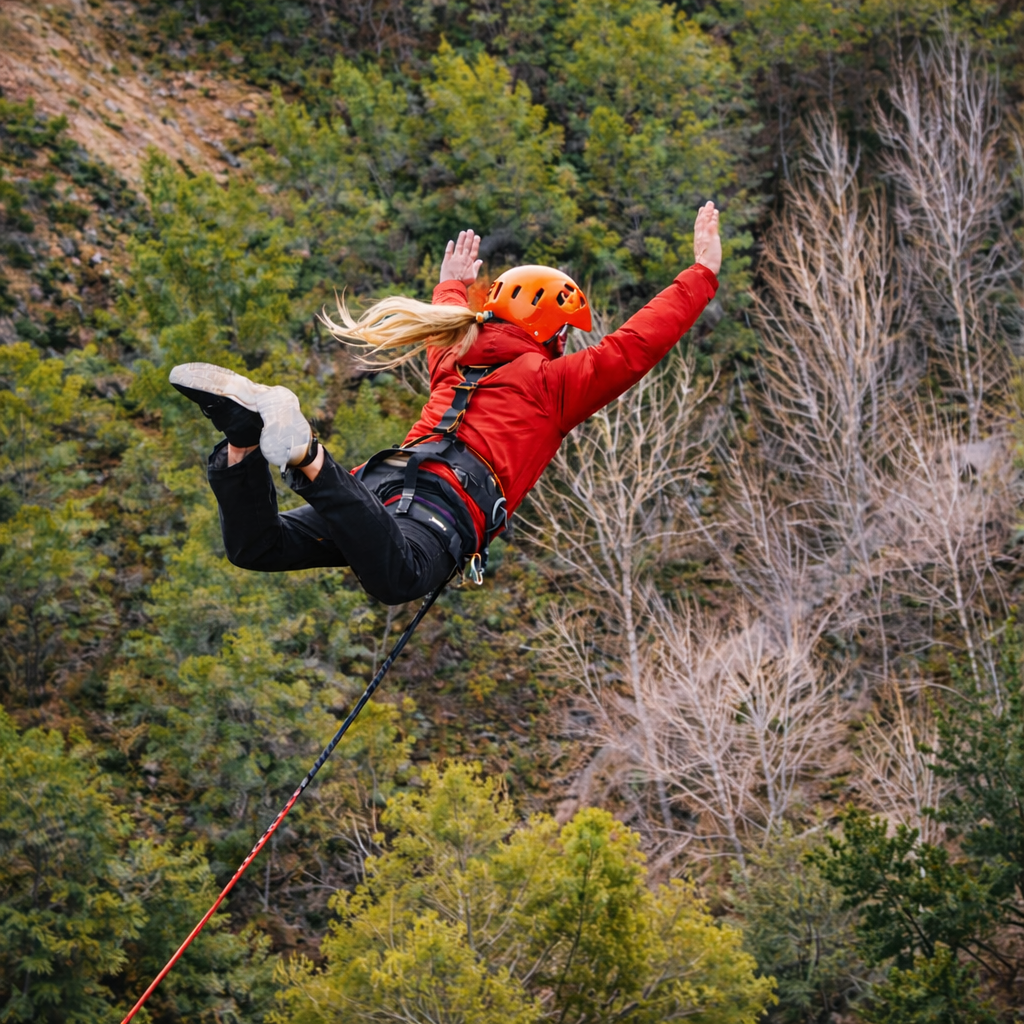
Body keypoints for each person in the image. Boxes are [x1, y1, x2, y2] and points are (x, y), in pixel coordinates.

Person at [170, 202, 722, 605]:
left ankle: (244, 444)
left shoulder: (455, 353)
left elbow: (452, 315)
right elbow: (635, 346)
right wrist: (701, 275)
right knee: (401, 579)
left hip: (379, 487)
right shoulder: (552, 384)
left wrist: (451, 288)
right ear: (551, 333)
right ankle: (307, 455)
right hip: (440, 505)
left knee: (258, 546)